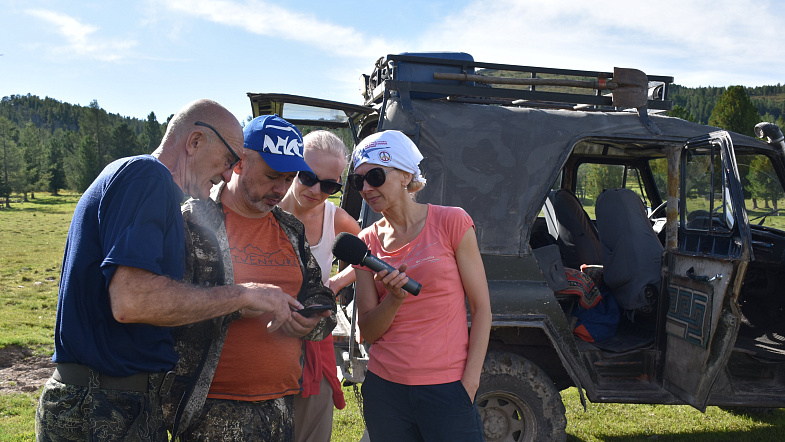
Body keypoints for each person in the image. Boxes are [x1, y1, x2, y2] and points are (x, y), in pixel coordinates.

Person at [35, 99, 299, 441]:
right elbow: (133, 301)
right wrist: (243, 294)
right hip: (103, 405)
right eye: (229, 160)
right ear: (195, 142)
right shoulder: (149, 176)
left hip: (110, 401)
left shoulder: (141, 180)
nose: (225, 174)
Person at [165, 115, 337, 441]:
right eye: (273, 176)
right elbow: (164, 308)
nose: (281, 188)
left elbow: (318, 291)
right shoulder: (191, 221)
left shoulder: (291, 229)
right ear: (240, 162)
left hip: (283, 405)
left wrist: (312, 315)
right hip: (209, 410)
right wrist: (237, 303)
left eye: (290, 178)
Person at [350, 130, 492, 441]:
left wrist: (469, 384)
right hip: (385, 391)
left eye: (374, 175)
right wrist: (394, 299)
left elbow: (482, 309)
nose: (366, 188)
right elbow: (369, 332)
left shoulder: (452, 222)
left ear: (404, 174)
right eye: (357, 181)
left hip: (447, 389)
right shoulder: (365, 243)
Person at [279, 130, 361, 442]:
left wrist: (335, 283)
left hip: (314, 338)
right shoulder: (268, 211)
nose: (316, 190)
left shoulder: (335, 218)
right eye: (308, 177)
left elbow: (368, 255)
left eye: (329, 185)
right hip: (264, 334)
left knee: (312, 425)